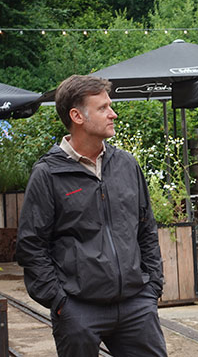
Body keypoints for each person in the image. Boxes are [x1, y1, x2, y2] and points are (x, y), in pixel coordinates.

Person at [16, 75, 167, 356]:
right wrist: (60, 302)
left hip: (136, 306)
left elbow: (145, 228)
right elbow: (31, 245)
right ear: (77, 116)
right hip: (79, 310)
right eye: (103, 108)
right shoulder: (48, 174)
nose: (113, 113)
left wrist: (152, 286)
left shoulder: (126, 164)